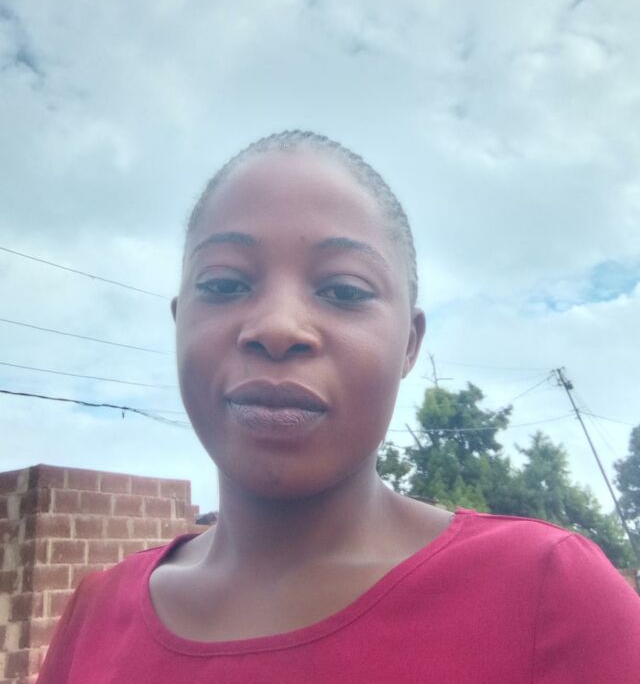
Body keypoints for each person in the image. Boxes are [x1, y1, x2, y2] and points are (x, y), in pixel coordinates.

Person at [38, 131, 640, 683]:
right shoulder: (97, 611)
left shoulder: (547, 593)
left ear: (410, 344)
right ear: (179, 323)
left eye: (344, 290)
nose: (277, 327)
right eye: (223, 284)